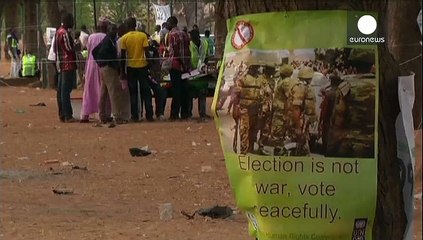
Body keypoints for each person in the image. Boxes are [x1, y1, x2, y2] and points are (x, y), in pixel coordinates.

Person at [94, 23, 130, 124]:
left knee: (104, 92)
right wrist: (111, 64)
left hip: (104, 68)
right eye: (114, 29)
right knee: (114, 92)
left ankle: (102, 115)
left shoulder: (109, 40)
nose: (115, 31)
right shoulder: (108, 41)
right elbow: (100, 52)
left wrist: (100, 63)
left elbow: (95, 51)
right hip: (108, 68)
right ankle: (117, 116)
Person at [120, 17, 154, 122]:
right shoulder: (142, 36)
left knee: (133, 92)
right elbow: (147, 53)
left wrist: (122, 71)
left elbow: (122, 57)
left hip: (131, 68)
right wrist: (150, 65)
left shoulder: (124, 38)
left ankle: (134, 116)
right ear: (135, 25)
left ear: (127, 26)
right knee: (146, 91)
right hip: (142, 67)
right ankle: (149, 115)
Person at [80, 19, 109, 123]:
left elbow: (88, 52)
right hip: (102, 64)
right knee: (102, 89)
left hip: (91, 65)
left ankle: (85, 114)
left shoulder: (91, 37)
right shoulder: (106, 37)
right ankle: (102, 114)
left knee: (89, 89)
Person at [164, 16, 191, 121]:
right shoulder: (184, 34)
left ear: (171, 23)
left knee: (176, 90)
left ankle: (174, 114)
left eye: (168, 23)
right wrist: (186, 65)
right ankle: (185, 113)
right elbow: (187, 50)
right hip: (184, 66)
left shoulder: (171, 35)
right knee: (184, 89)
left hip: (175, 65)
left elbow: (173, 52)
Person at [54, 12, 78, 123]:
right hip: (67, 64)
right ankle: (68, 115)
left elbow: (55, 49)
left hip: (60, 64)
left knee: (60, 90)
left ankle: (62, 114)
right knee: (65, 91)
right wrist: (77, 46)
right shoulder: (64, 33)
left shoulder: (57, 32)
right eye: (72, 20)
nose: (73, 22)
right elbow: (69, 48)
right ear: (68, 21)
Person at [188, 29, 209, 121]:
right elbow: (188, 57)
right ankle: (189, 113)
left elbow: (206, 56)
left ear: (197, 37)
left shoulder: (204, 44)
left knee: (203, 93)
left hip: (202, 72)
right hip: (192, 72)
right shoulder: (189, 45)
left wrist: (204, 67)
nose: (191, 39)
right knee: (189, 94)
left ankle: (203, 113)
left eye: (192, 37)